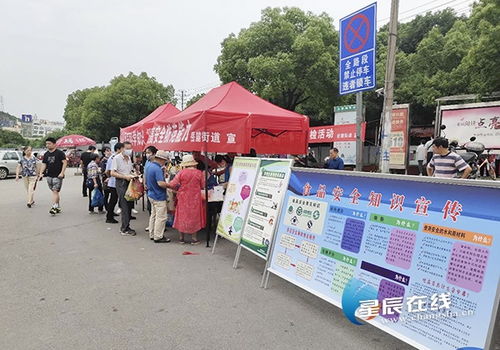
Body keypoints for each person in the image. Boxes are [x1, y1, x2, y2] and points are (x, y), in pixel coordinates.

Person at [166, 154, 205, 244]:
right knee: (194, 217)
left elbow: (172, 184)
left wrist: (164, 184)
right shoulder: (199, 173)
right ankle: (194, 238)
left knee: (182, 216)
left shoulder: (181, 173)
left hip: (183, 197)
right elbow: (202, 186)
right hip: (195, 198)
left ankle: (181, 238)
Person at [111, 142, 137, 236]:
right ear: (122, 148)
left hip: (129, 181)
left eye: (130, 149)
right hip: (121, 182)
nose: (129, 151)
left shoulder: (129, 158)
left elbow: (130, 170)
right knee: (124, 204)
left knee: (130, 203)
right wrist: (124, 176)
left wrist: (133, 174)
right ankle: (124, 228)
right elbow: (112, 173)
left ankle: (127, 225)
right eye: (127, 148)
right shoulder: (117, 158)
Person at [146, 150, 171, 243]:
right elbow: (160, 183)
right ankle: (158, 236)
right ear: (161, 159)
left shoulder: (149, 166)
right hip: (158, 195)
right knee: (161, 217)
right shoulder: (157, 169)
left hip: (151, 194)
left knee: (153, 215)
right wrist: (169, 185)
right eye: (165, 161)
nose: (165, 162)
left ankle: (152, 234)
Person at [38, 137, 67, 215]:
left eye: (49, 144)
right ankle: (58, 206)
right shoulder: (46, 154)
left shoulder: (60, 153)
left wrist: (62, 172)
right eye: (46, 144)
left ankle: (54, 207)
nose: (47, 145)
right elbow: (44, 164)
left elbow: (64, 163)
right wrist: (41, 173)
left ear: (54, 144)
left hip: (58, 175)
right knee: (55, 192)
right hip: (49, 175)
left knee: (55, 191)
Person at [104, 144, 121, 224]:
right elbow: (108, 171)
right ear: (118, 149)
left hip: (113, 181)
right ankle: (109, 217)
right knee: (113, 200)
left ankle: (110, 214)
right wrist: (110, 177)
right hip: (114, 182)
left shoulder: (113, 157)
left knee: (113, 200)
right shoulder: (114, 158)